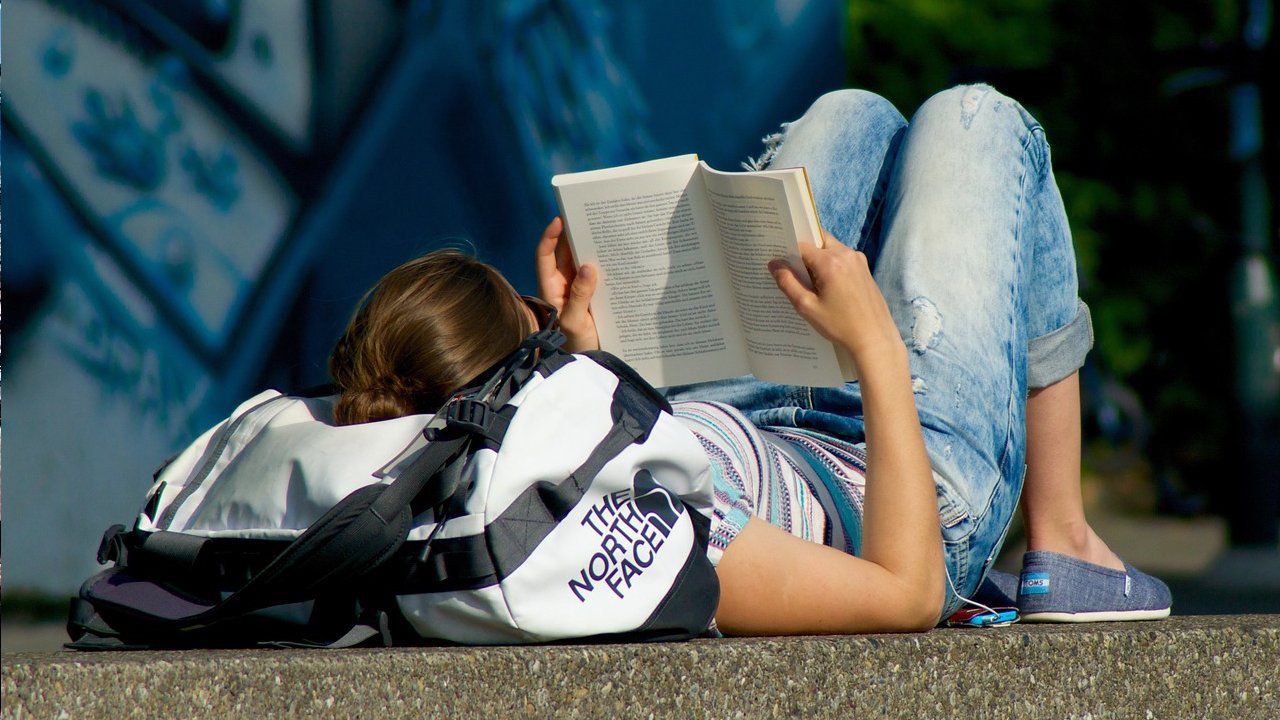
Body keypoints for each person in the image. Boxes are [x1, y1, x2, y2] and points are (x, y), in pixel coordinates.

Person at [329, 85, 1171, 634]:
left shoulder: (492, 460)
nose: (553, 328)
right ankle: (1064, 539)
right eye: (538, 325)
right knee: (978, 121)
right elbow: (904, 592)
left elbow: (592, 447)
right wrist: (874, 343)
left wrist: (586, 349)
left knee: (852, 116)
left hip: (759, 424)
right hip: (899, 489)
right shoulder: (633, 530)